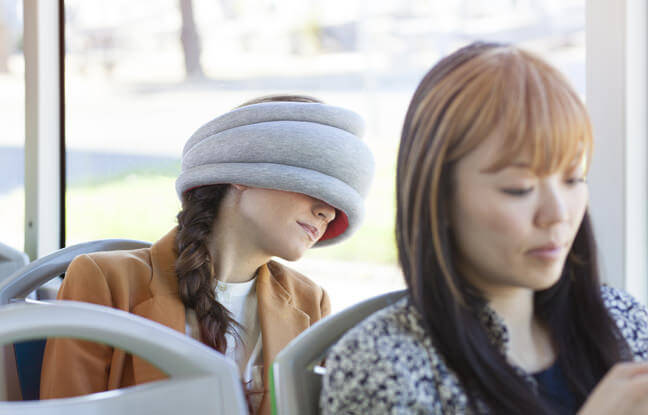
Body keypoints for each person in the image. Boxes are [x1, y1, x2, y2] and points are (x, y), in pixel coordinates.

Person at [320, 42, 648, 414]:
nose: (558, 214)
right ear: (439, 197)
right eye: (519, 188)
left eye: (573, 179)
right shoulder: (384, 365)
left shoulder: (623, 318)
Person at [40, 94, 374, 415]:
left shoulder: (309, 303)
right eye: (316, 183)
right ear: (244, 172)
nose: (327, 211)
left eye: (341, 199)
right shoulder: (105, 281)